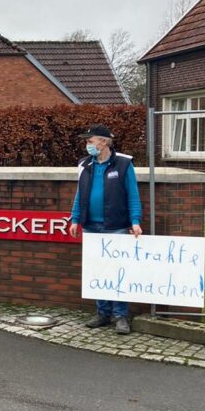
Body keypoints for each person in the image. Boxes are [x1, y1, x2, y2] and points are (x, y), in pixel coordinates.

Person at [68, 125, 143, 334]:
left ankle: (121, 315)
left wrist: (135, 220)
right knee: (98, 271)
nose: (87, 145)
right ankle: (103, 313)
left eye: (90, 141)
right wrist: (75, 219)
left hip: (116, 227)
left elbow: (132, 195)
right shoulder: (85, 165)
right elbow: (79, 194)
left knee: (117, 271)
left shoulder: (123, 164)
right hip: (91, 227)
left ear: (103, 142)